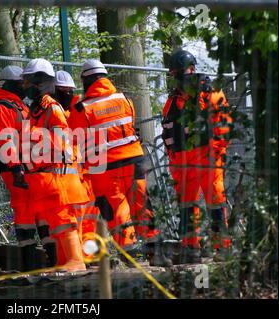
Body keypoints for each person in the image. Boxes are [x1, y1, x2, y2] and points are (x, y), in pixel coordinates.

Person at [68, 59, 172, 267]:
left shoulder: (82, 109)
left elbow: (74, 138)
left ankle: (131, 256)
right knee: (142, 204)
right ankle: (156, 252)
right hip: (135, 161)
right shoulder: (125, 99)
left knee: (116, 210)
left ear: (86, 80)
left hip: (106, 168)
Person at [161, 49, 233, 263]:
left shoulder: (212, 94)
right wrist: (174, 162)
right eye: (175, 74)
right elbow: (167, 133)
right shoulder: (172, 102)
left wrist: (216, 153)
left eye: (179, 73)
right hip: (183, 162)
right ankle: (190, 249)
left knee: (215, 201)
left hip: (207, 158)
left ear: (191, 69)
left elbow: (224, 126)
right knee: (186, 205)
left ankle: (222, 248)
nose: (178, 78)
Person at [22, 58, 88, 272]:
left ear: (41, 82)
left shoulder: (52, 108)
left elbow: (62, 140)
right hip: (45, 177)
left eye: (29, 80)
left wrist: (33, 136)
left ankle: (75, 261)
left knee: (63, 218)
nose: (26, 85)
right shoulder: (36, 111)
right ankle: (64, 262)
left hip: (58, 175)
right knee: (55, 222)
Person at [0, 65, 56, 270]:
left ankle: (50, 260)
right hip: (15, 169)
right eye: (21, 83)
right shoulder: (3, 107)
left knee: (40, 211)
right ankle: (29, 264)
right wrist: (16, 169)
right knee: (25, 211)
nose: (25, 87)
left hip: (28, 168)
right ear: (10, 85)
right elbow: (6, 141)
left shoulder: (19, 106)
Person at [54, 70, 99, 258]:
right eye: (63, 90)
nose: (67, 93)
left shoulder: (79, 111)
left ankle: (89, 258)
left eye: (69, 90)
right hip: (74, 177)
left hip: (86, 175)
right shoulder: (58, 112)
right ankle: (77, 259)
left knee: (89, 220)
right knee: (76, 220)